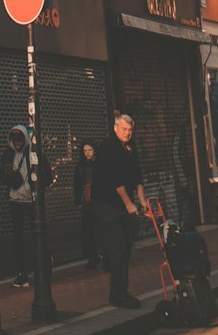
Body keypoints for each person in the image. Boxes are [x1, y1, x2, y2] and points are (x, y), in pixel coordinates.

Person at [91, 113, 150, 309]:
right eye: (124, 129)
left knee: (126, 246)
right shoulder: (109, 147)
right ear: (116, 128)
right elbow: (116, 180)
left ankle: (120, 290)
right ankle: (117, 294)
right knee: (119, 247)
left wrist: (142, 201)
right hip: (106, 203)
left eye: (130, 130)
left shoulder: (130, 148)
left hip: (120, 205)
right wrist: (129, 205)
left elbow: (137, 175)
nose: (127, 133)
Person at [0, 124, 52, 288]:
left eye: (20, 139)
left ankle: (43, 268)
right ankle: (21, 272)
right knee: (18, 237)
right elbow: (2, 176)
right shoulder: (7, 154)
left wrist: (38, 183)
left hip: (32, 201)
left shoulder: (34, 153)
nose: (17, 143)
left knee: (38, 234)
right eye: (14, 140)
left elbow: (47, 176)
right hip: (16, 201)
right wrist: (10, 178)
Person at [73, 139, 100, 268]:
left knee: (101, 230)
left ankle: (104, 256)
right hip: (87, 201)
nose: (87, 153)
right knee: (88, 231)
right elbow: (77, 184)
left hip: (100, 200)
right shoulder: (80, 166)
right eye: (85, 151)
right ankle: (92, 257)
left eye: (89, 150)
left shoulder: (100, 164)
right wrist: (78, 199)